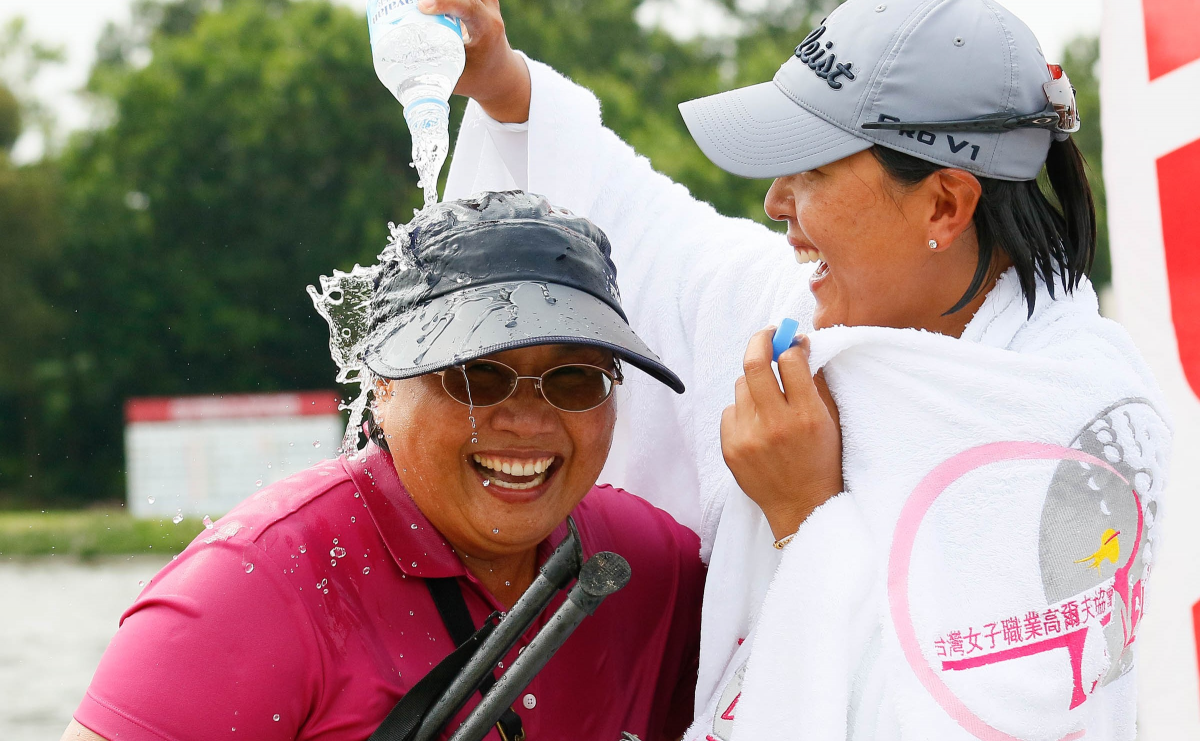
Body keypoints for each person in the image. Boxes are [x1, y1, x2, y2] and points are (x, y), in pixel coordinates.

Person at [429, 0, 1173, 738]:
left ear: (945, 205)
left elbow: (980, 718)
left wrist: (804, 518)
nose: (774, 200)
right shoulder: (816, 313)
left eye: (811, 169)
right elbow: (656, 230)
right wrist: (503, 85)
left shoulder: (1076, 423)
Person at [61, 193, 705, 741]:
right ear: (382, 383)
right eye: (477, 375)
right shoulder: (255, 587)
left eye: (573, 379)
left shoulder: (655, 569)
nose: (528, 421)